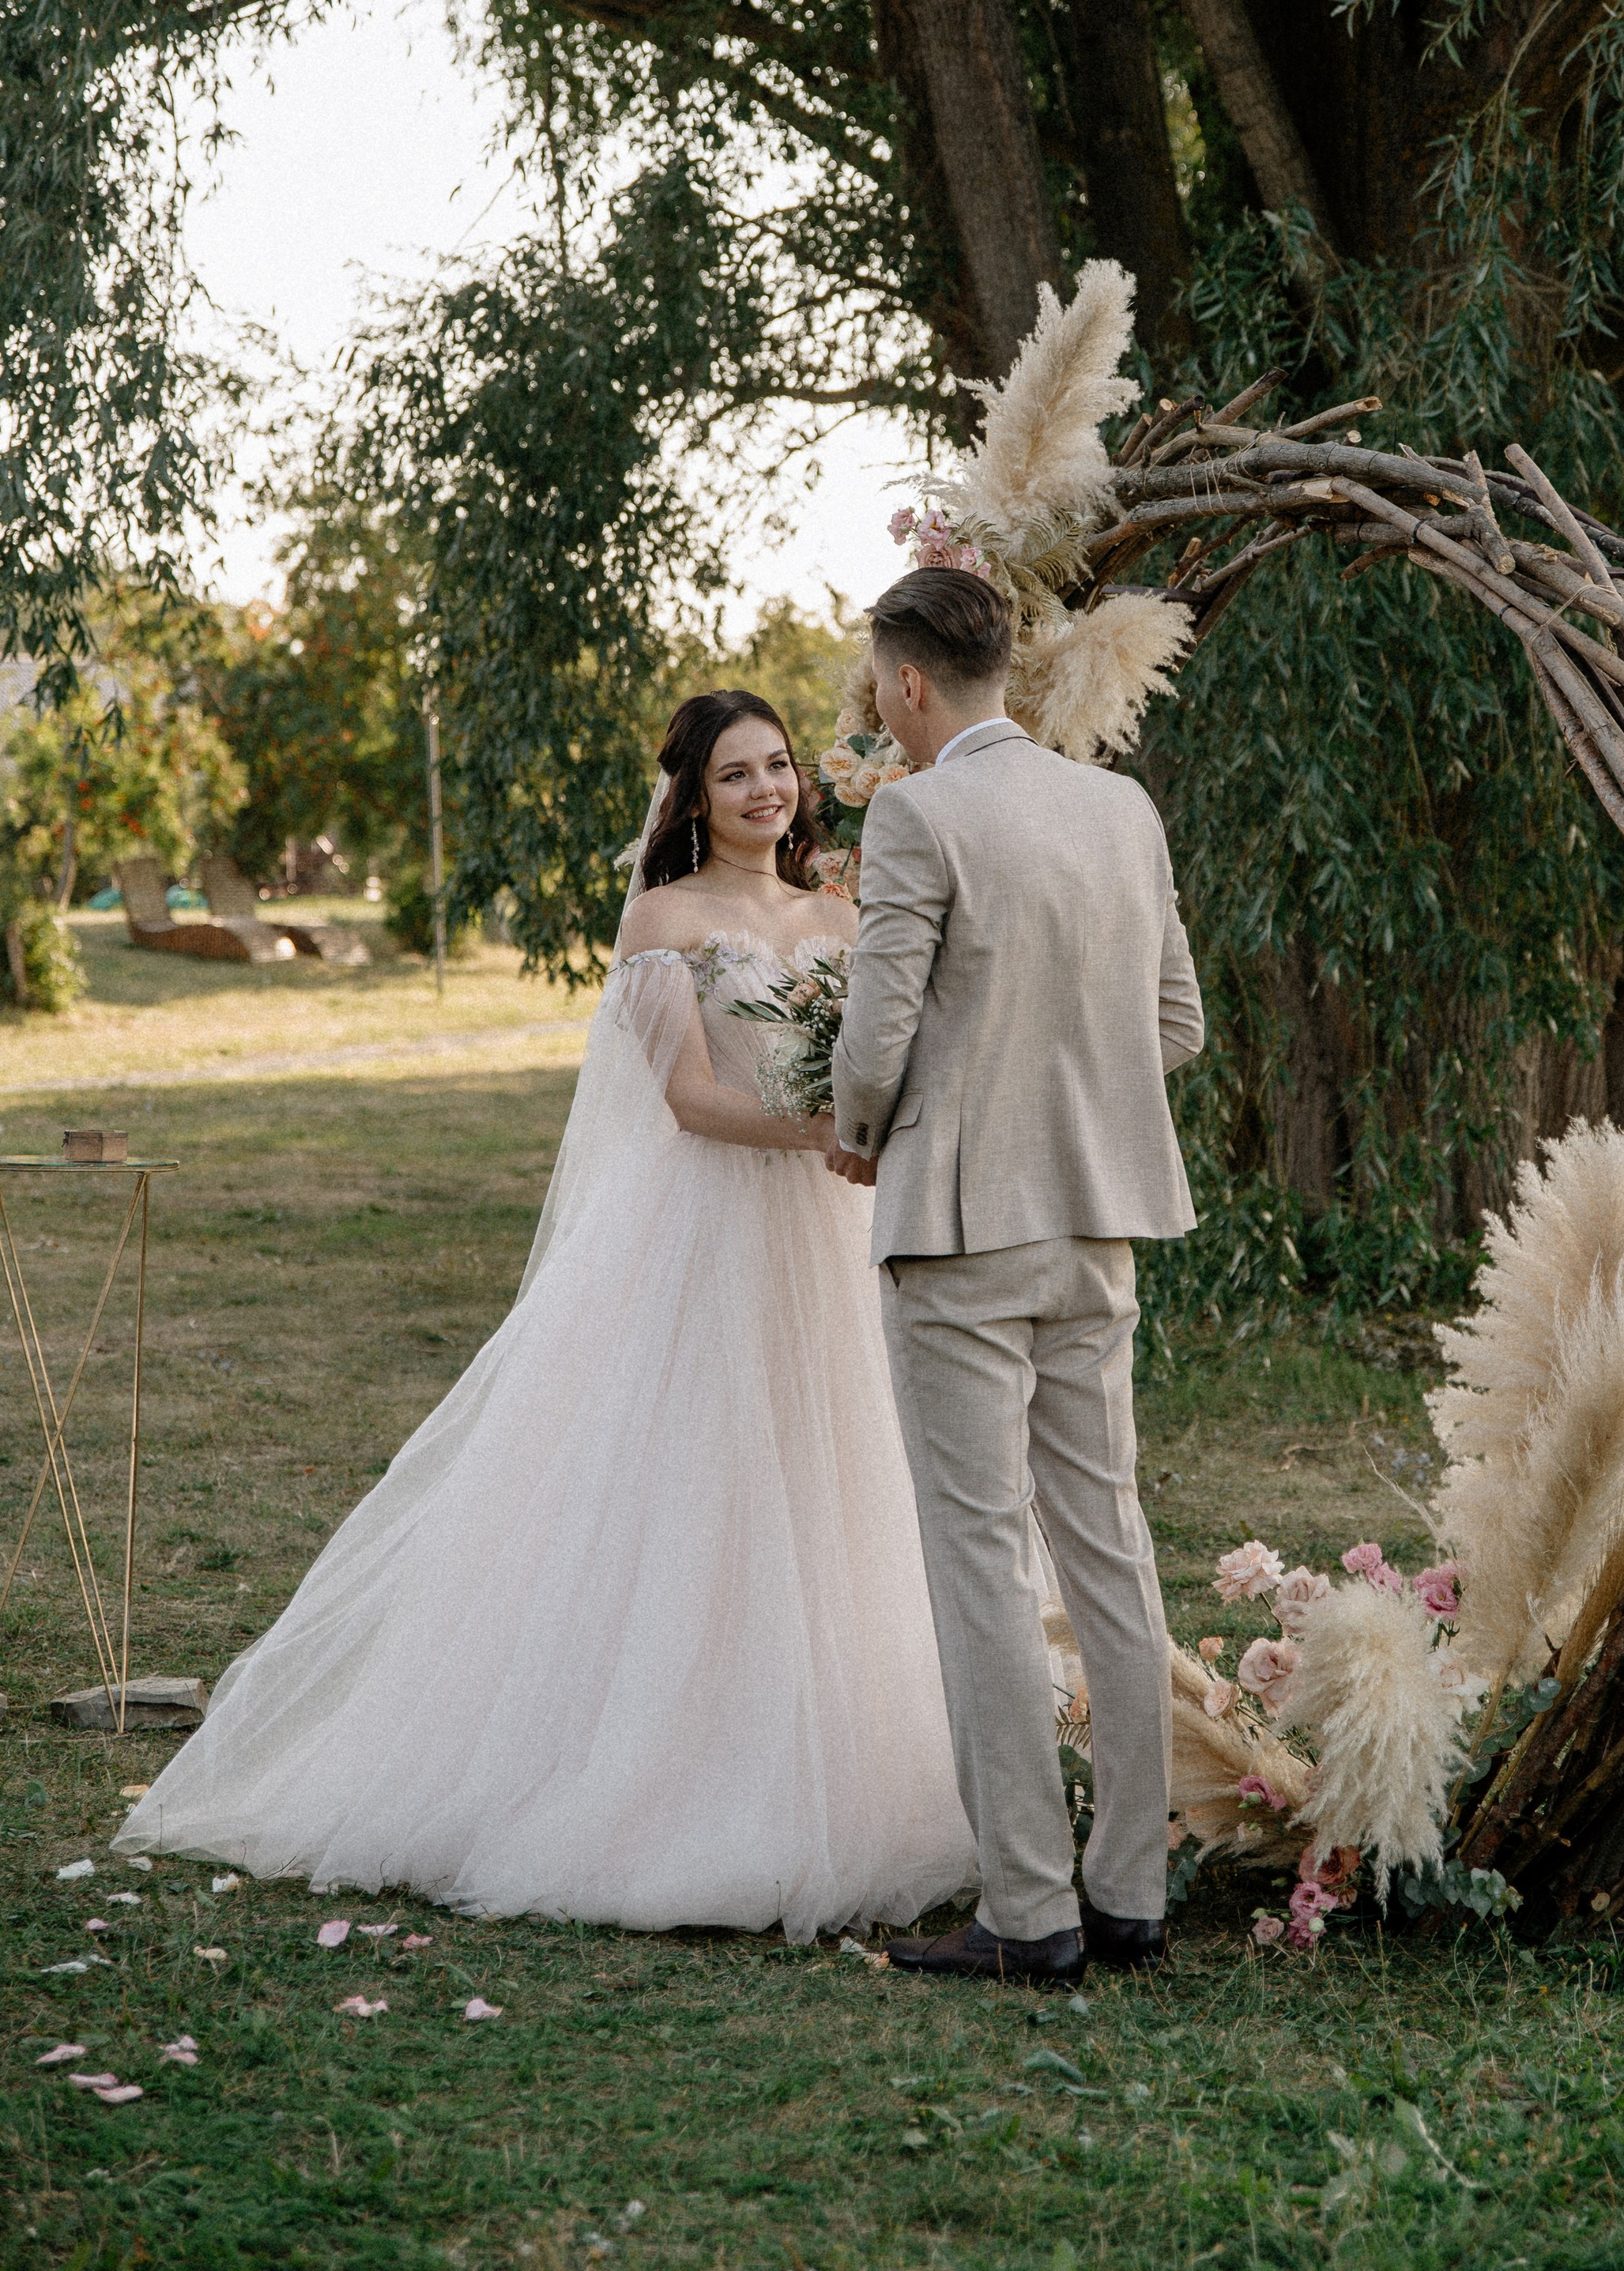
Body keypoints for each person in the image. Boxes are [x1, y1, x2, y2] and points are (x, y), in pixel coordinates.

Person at [115, 691, 978, 1940]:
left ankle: (838, 1746)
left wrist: (867, 1125)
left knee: (835, 1478)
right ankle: (666, 1771)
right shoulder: (661, 921)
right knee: (700, 1485)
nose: (767, 791)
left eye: (779, 766)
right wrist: (824, 1130)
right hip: (711, 1232)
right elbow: (683, 1096)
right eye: (735, 775)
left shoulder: (841, 913)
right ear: (691, 797)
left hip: (826, 1233)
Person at [829, 567, 1204, 1989]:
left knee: (982, 1552)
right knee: (1106, 1542)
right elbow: (1176, 1022)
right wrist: (1074, 1091)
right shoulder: (1121, 808)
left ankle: (1029, 1913)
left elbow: (871, 1047)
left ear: (909, 685)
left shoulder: (918, 811)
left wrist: (871, 1134)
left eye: (877, 680)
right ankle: (1132, 1898)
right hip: (1099, 1220)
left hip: (963, 1228)